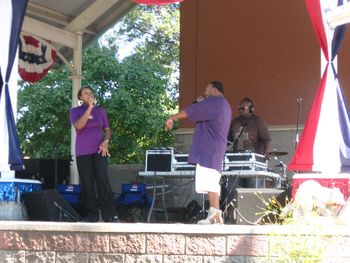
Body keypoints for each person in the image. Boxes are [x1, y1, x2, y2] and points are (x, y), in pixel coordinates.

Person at [165, 81, 232, 224]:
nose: (205, 92)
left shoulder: (215, 102)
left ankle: (215, 215)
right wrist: (201, 103)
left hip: (209, 148)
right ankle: (215, 215)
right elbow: (199, 111)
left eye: (207, 89)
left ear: (214, 89)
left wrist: (172, 117)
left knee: (211, 182)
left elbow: (192, 111)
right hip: (213, 148)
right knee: (211, 182)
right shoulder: (223, 104)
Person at [70, 86, 118, 222]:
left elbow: (107, 130)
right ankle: (91, 215)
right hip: (83, 151)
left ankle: (110, 215)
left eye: (91, 93)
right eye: (86, 93)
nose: (89, 95)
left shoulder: (100, 111)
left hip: (99, 150)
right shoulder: (75, 111)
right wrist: (89, 108)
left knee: (103, 180)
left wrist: (106, 141)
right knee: (87, 183)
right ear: (80, 97)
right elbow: (79, 126)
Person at [227, 97, 271, 187]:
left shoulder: (258, 121)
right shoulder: (234, 122)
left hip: (253, 162)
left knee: (252, 190)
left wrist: (266, 152)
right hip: (236, 161)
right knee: (235, 190)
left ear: (251, 109)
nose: (240, 110)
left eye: (243, 108)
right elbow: (228, 140)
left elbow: (267, 139)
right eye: (239, 108)